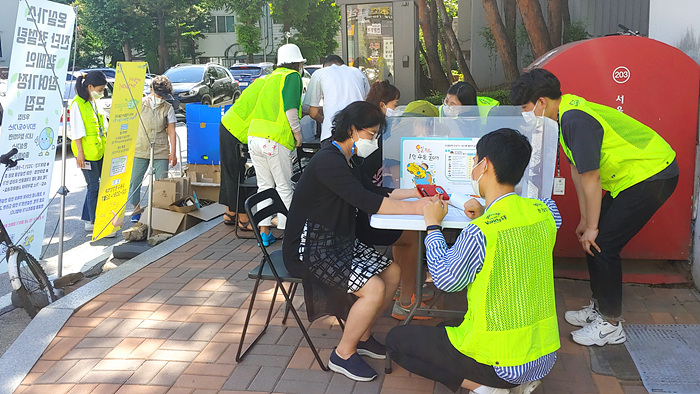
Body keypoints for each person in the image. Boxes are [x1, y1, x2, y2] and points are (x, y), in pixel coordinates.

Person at [510, 68, 678, 346]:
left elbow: (592, 177)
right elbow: (578, 170)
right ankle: (599, 307)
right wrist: (586, 221)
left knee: (603, 244)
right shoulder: (563, 117)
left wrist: (593, 226)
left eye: (526, 108)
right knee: (592, 240)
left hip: (654, 174)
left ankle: (611, 325)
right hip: (633, 179)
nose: (526, 115)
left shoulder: (574, 119)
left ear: (541, 102)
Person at [386, 128, 561, 394]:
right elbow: (514, 224)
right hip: (544, 355)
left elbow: (446, 279)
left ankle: (486, 388)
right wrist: (486, 213)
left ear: (485, 165)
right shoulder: (546, 211)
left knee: (397, 340)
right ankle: (511, 383)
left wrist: (433, 226)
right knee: (445, 327)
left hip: (501, 363)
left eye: (475, 160)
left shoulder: (480, 232)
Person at [282, 101, 429, 382]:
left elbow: (373, 191)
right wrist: (420, 209)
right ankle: (343, 353)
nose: (373, 140)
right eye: (371, 134)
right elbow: (367, 201)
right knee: (373, 288)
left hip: (336, 241)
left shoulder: (347, 158)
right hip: (309, 248)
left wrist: (417, 193)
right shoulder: (328, 161)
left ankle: (361, 335)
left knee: (393, 272)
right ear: (352, 130)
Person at [362, 84, 434, 320]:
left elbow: (390, 170)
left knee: (407, 233)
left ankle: (405, 289)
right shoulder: (380, 137)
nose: (397, 111)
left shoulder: (380, 135)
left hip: (370, 203)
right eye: (394, 105)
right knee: (410, 236)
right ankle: (406, 300)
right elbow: (374, 187)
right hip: (364, 215)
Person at [222, 43, 306, 244]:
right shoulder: (291, 77)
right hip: (275, 140)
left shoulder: (268, 78)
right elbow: (291, 110)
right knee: (284, 187)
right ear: (298, 63)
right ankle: (291, 236)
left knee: (265, 186)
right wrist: (298, 135)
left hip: (254, 138)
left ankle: (264, 231)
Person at [128, 76, 177, 222]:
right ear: (150, 90)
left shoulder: (168, 108)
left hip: (161, 149)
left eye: (164, 96)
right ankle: (136, 208)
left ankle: (158, 208)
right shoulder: (140, 104)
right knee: (135, 180)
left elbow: (172, 131)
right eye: (158, 95)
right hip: (140, 147)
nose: (161, 98)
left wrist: (173, 153)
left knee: (162, 181)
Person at [69, 70, 112, 235]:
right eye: (100, 89)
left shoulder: (93, 101)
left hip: (99, 150)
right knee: (93, 186)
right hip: (87, 153)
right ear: (90, 86)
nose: (101, 93)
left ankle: (92, 217)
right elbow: (77, 133)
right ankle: (92, 221)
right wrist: (80, 154)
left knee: (99, 186)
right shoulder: (77, 104)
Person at [304, 54, 370, 147]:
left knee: (334, 160)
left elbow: (313, 113)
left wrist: (325, 120)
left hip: (331, 133)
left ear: (325, 66)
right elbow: (367, 102)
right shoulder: (358, 73)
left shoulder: (320, 74)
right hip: (359, 132)